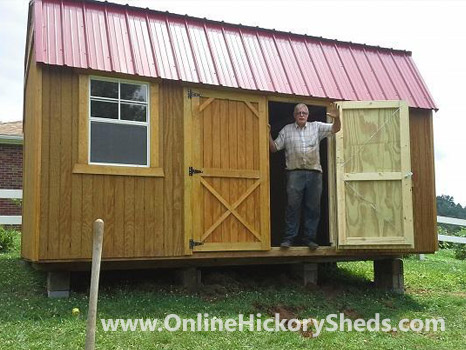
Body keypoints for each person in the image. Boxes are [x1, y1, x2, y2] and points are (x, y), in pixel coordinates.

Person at [269, 103, 341, 249]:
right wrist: (267, 133)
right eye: (299, 113)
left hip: (314, 173)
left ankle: (309, 239)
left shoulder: (316, 127)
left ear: (308, 115)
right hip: (294, 173)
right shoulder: (287, 130)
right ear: (294, 115)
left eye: (304, 113)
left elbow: (335, 128)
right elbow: (274, 148)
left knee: (313, 207)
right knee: (292, 206)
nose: (301, 115)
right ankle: (289, 239)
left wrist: (337, 118)